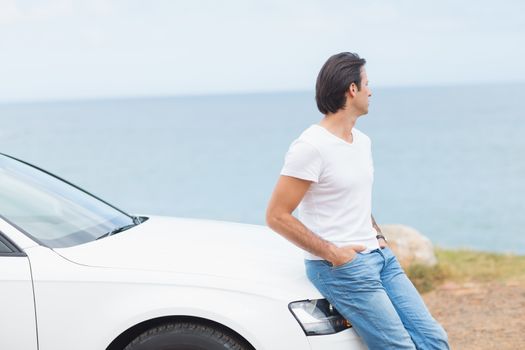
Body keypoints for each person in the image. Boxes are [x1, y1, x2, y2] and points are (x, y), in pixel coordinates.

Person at [266, 52, 449, 349]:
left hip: (381, 258)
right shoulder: (310, 147)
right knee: (399, 346)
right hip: (342, 268)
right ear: (352, 89)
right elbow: (276, 216)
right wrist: (334, 253)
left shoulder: (362, 141)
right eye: (366, 84)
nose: (371, 91)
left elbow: (356, 198)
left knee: (433, 339)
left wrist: (379, 237)